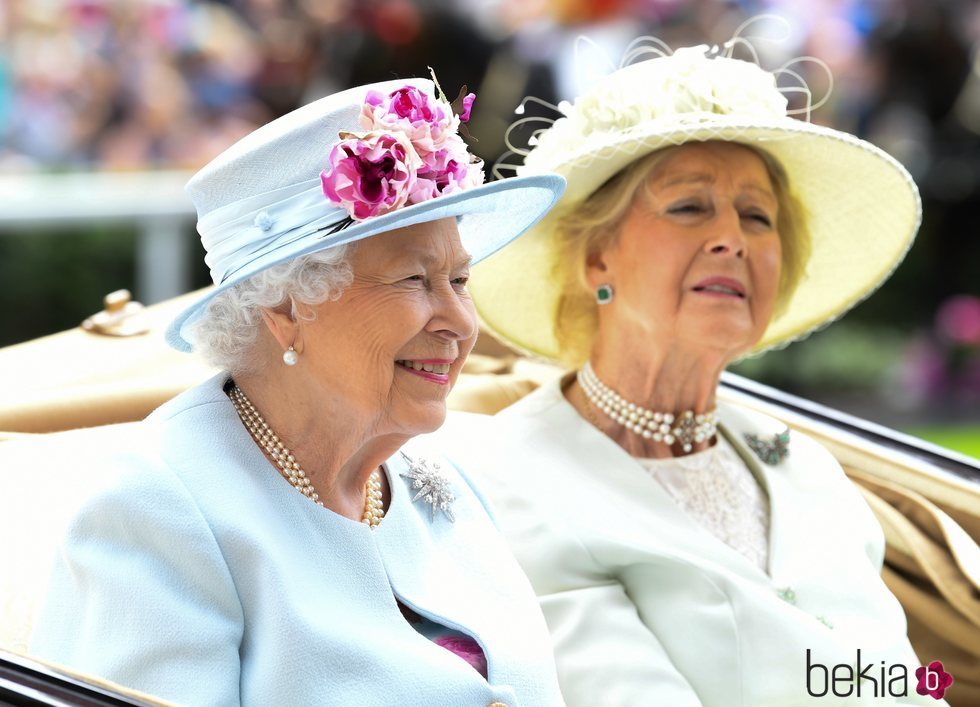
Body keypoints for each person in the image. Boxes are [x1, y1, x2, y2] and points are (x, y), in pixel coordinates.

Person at [28, 75, 567, 706]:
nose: (460, 322)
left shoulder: (434, 475)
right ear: (287, 309)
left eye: (460, 278)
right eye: (416, 280)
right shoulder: (157, 510)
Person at [442, 39, 946, 706]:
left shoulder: (807, 464)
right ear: (596, 260)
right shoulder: (504, 477)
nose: (733, 238)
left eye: (758, 216)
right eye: (689, 206)